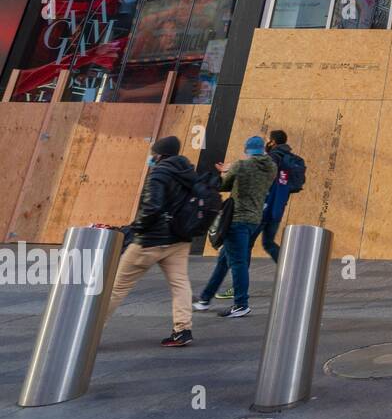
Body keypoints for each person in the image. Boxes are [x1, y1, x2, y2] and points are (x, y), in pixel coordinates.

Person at [106, 136, 197, 347]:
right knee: (180, 284)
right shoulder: (189, 172)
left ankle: (87, 332)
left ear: (159, 154)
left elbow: (152, 207)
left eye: (152, 154)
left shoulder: (159, 173)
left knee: (117, 287)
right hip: (180, 239)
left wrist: (135, 228)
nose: (150, 158)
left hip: (151, 240)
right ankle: (182, 330)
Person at [193, 136, 278, 318]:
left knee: (238, 263)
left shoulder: (241, 166)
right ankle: (204, 299)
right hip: (254, 220)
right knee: (223, 261)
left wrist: (225, 170)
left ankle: (241, 304)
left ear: (247, 150)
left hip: (237, 219)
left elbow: (223, 185)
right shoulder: (271, 167)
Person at [215, 129, 304, 298]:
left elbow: (249, 168)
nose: (267, 143)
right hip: (277, 209)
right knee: (269, 243)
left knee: (245, 246)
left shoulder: (272, 157)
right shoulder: (291, 160)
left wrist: (229, 168)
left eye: (269, 140)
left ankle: (237, 289)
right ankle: (293, 276)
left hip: (261, 209)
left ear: (273, 142)